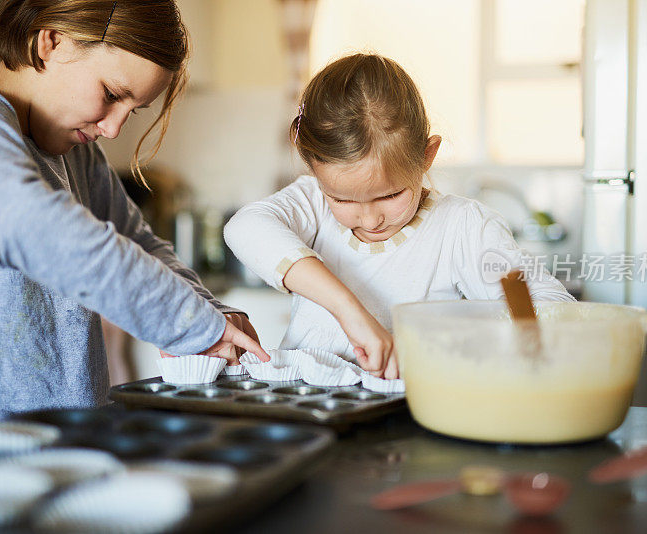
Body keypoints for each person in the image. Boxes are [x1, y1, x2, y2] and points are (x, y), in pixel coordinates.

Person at [0, 0, 269, 441]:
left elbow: (141, 244)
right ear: (51, 43)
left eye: (130, 110)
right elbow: (24, 226)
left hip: (73, 447)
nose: (113, 128)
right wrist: (187, 322)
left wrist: (211, 311)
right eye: (112, 95)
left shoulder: (80, 155)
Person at [224, 53, 573, 381]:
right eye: (343, 199)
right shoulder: (313, 203)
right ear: (316, 173)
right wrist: (349, 310)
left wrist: (468, 339)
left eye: (390, 195)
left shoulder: (464, 227)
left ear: (427, 156)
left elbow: (552, 310)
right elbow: (245, 228)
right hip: (305, 408)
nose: (371, 218)